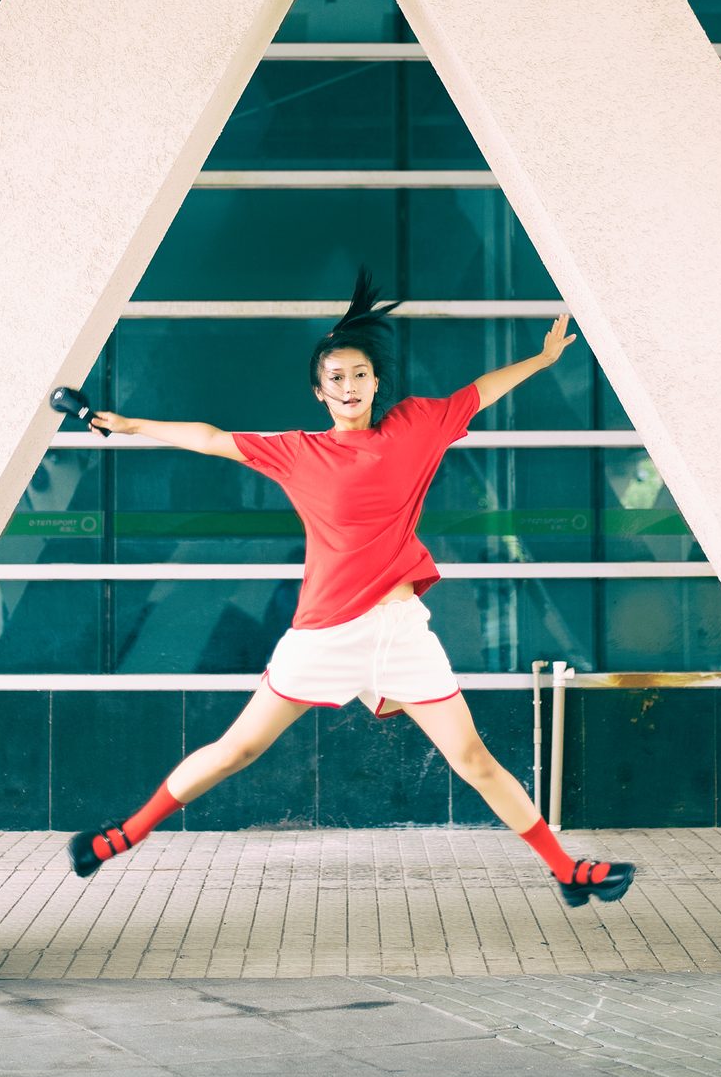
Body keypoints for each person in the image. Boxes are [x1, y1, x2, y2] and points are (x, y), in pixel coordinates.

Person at [66, 267, 635, 911]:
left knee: (473, 759)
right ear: (319, 392)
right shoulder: (297, 452)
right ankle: (120, 836)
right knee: (238, 749)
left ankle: (566, 870)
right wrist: (125, 424)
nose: (348, 385)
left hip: (401, 632)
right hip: (328, 631)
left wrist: (543, 359)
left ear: (375, 382)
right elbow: (210, 438)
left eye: (359, 374)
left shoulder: (418, 425)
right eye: (335, 378)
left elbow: (479, 392)